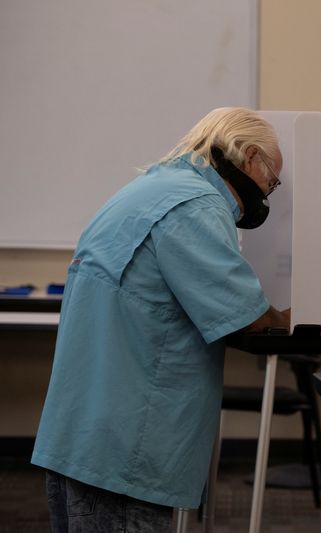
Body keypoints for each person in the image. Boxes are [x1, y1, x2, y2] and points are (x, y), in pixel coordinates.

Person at [31, 107, 289, 532]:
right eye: (272, 180)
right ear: (249, 158)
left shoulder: (148, 189)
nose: (267, 193)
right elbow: (249, 318)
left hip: (82, 436)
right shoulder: (198, 205)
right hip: (128, 449)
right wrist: (301, 313)